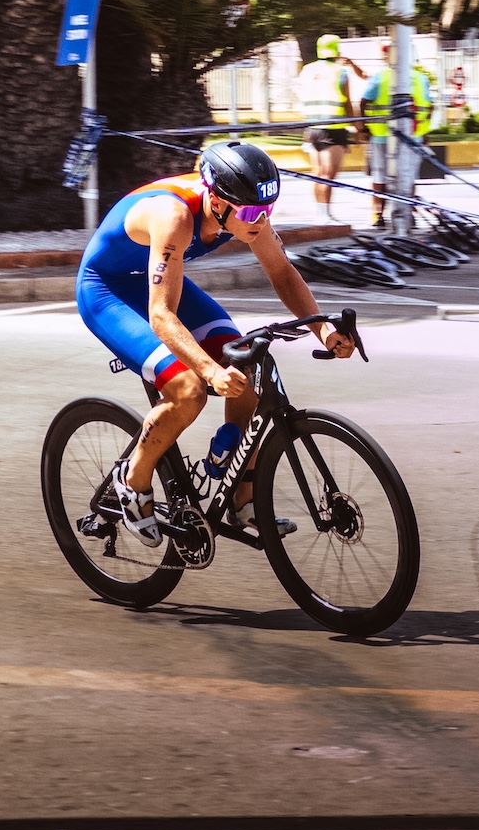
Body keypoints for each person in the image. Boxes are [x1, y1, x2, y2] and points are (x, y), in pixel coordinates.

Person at [76, 140, 355, 545]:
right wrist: (208, 371)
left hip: (156, 279)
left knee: (249, 365)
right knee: (188, 390)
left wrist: (323, 330)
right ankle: (133, 480)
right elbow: (161, 315)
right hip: (108, 292)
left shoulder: (245, 211)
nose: (262, 221)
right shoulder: (174, 217)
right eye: (253, 213)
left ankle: (243, 497)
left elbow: (282, 273)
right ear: (217, 202)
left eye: (269, 210)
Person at [360, 41, 434, 227]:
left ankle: (378, 215)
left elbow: (363, 102)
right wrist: (425, 131)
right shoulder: (421, 79)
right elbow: (430, 107)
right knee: (408, 177)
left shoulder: (380, 78)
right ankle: (407, 214)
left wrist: (363, 127)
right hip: (412, 137)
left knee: (380, 176)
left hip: (381, 136)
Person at [294, 33, 362, 224]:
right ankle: (325, 216)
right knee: (328, 175)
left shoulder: (307, 70)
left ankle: (321, 213)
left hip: (312, 127)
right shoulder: (340, 72)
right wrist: (357, 127)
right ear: (337, 49)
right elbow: (347, 102)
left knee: (318, 174)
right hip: (333, 129)